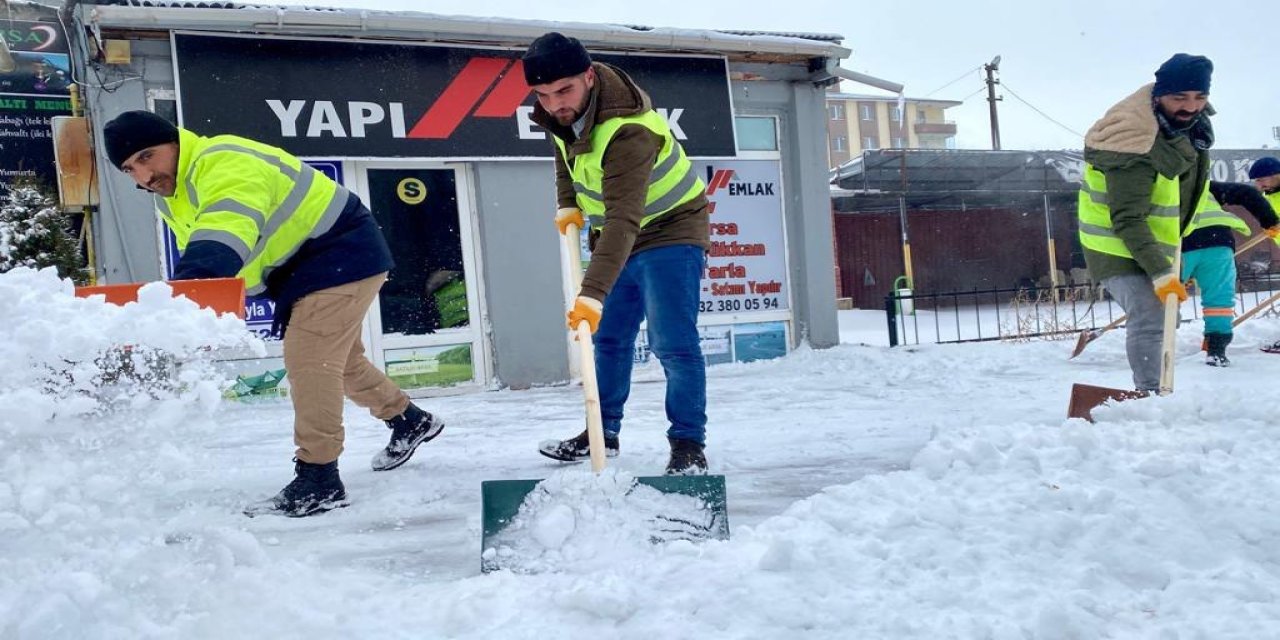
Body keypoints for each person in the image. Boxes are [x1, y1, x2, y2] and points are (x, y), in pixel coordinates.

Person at [102, 110, 444, 517]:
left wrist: (185, 298)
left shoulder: (223, 161)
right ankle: (409, 419)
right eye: (129, 169)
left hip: (338, 253)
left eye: (147, 156)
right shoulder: (175, 196)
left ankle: (319, 478)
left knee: (311, 359)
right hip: (307, 270)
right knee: (343, 360)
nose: (143, 176)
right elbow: (230, 250)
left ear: (175, 142)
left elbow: (224, 231)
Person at [522, 32, 711, 474]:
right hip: (619, 233)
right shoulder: (561, 114)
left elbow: (625, 217)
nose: (554, 104)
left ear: (588, 77)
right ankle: (599, 432)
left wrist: (591, 293)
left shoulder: (628, 130)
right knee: (607, 340)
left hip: (670, 230)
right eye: (543, 95)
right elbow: (565, 160)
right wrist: (567, 201)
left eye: (564, 90)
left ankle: (687, 443)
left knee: (673, 344)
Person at [1078, 54, 1232, 391]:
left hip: (1153, 239)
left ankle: (1156, 390)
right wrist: (1161, 273)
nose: (1191, 107)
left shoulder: (1192, 128)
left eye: (1200, 97)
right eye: (1180, 97)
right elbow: (1127, 218)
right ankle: (1149, 397)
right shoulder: (1133, 142)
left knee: (1166, 317)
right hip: (1113, 244)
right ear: (1159, 95)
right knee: (1151, 314)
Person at [1183, 180, 1280, 366]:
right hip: (1218, 242)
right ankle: (1216, 350)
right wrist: (1270, 221)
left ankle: (1157, 346)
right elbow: (1247, 193)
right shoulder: (1204, 185)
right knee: (1219, 300)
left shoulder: (1155, 183)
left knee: (1164, 297)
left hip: (1179, 245)